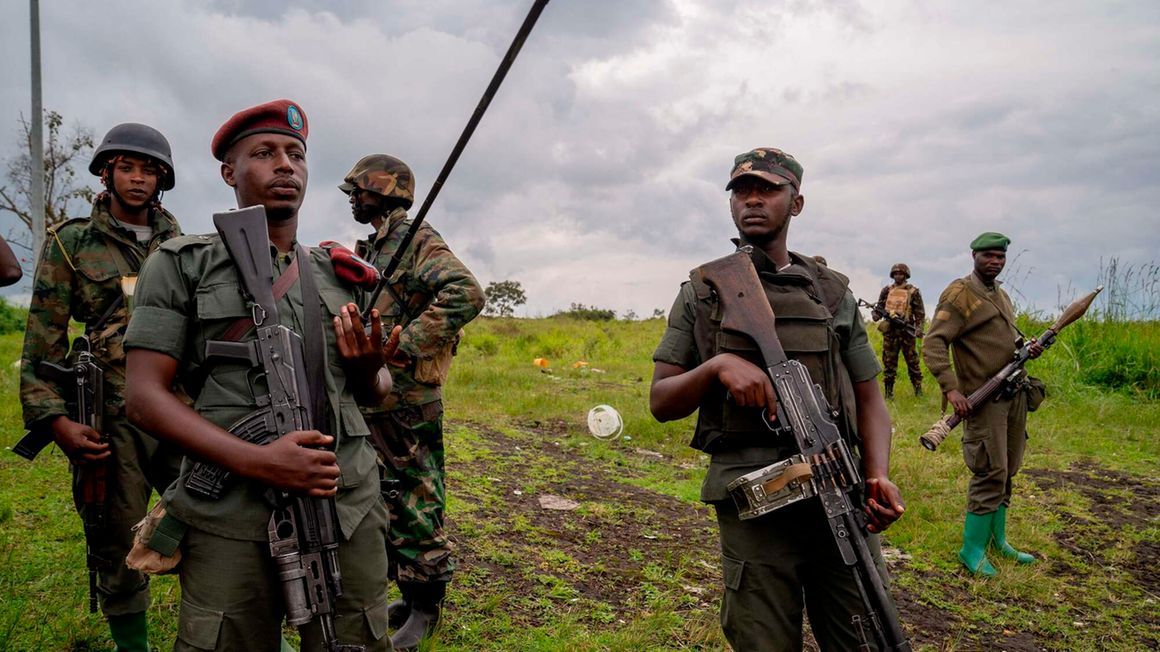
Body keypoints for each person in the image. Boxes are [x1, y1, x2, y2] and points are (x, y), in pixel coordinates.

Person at [123, 100, 397, 651]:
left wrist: (370, 370)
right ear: (229, 172)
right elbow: (144, 397)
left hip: (345, 500)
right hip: (231, 508)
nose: (285, 166)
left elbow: (377, 393)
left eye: (296, 155)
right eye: (264, 153)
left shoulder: (339, 275)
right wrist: (261, 461)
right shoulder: (181, 264)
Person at [648, 147, 906, 651]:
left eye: (768, 190)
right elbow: (661, 400)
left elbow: (869, 396)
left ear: (797, 202)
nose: (753, 200)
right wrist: (718, 368)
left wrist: (877, 474)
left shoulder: (831, 294)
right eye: (742, 191)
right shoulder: (702, 291)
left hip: (839, 488)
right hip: (755, 504)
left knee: (867, 633)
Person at [20, 122, 184, 651]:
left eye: (150, 171)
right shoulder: (71, 243)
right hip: (111, 417)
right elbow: (40, 346)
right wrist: (56, 421)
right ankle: (131, 646)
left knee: (211, 514)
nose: (138, 179)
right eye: (128, 168)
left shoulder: (179, 240)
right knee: (116, 534)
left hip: (179, 406)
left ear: (162, 180)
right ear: (107, 173)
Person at [341, 154, 485, 649]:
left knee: (417, 503)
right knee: (386, 498)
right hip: (378, 397)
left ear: (383, 191)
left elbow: (467, 293)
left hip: (409, 400)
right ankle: (406, 592)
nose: (354, 200)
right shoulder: (377, 245)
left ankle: (426, 606)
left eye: (360, 192)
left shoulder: (415, 238)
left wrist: (400, 343)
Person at [922, 232, 1042, 577]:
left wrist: (1025, 349)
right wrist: (952, 390)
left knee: (1008, 468)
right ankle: (971, 549)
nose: (995, 261)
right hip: (982, 399)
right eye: (988, 255)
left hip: (1013, 394)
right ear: (973, 255)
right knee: (990, 469)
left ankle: (996, 541)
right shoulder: (960, 294)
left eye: (1000, 257)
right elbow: (933, 344)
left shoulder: (1000, 294)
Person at [872, 263, 925, 399]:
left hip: (907, 332)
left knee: (913, 363)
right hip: (890, 332)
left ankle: (918, 390)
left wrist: (919, 329)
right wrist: (876, 314)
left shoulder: (913, 292)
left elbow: (919, 313)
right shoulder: (886, 290)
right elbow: (879, 307)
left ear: (906, 275)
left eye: (901, 274)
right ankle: (888, 394)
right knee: (889, 363)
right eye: (895, 274)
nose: (898, 276)